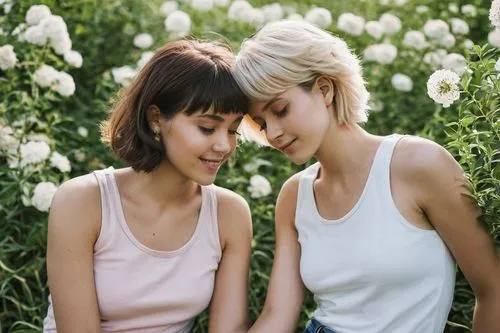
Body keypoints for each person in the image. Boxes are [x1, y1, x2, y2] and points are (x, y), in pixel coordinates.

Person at [233, 20, 500, 333]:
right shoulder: (294, 195)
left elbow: (493, 290)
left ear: (324, 89)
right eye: (261, 124)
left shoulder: (418, 164)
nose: (273, 134)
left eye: (280, 110)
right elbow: (277, 316)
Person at [43, 40, 252, 333]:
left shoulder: (229, 215)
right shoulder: (83, 202)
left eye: (233, 130)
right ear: (156, 119)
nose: (223, 145)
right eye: (207, 127)